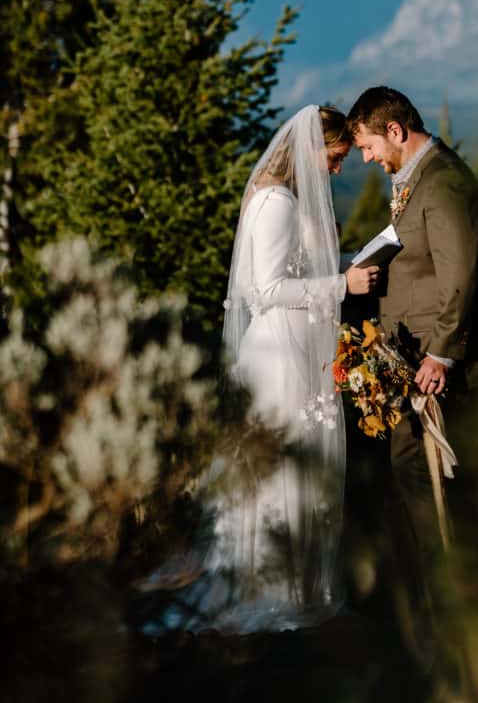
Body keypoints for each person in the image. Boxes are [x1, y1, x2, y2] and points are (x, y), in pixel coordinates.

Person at [139, 105, 378, 635]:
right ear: (310, 148)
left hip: (297, 348)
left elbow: (294, 272)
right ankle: (273, 589)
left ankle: (301, 584)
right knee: (282, 467)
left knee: (300, 464)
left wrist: (344, 265)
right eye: (335, 157)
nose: (338, 170)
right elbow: (262, 290)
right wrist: (339, 287)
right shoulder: (276, 202)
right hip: (279, 357)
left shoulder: (289, 200)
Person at [346, 86, 478, 617]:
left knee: (432, 475)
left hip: (436, 363)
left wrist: (441, 354)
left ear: (394, 130)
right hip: (409, 358)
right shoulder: (413, 181)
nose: (366, 159)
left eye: (367, 146)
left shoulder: (445, 181)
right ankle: (440, 588)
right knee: (411, 470)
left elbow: (460, 275)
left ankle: (457, 596)